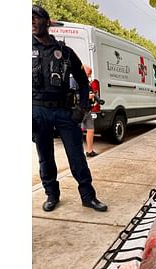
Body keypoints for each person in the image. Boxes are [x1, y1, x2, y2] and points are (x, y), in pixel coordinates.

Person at [32, 5, 107, 212]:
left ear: (48, 22)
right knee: (45, 157)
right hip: (37, 112)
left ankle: (88, 196)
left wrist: (82, 109)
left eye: (36, 17)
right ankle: (52, 195)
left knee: (77, 156)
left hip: (65, 111)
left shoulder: (65, 52)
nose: (31, 21)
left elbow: (84, 82)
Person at [81, 64, 99, 158]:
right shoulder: (74, 81)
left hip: (88, 109)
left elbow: (90, 92)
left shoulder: (87, 82)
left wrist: (94, 100)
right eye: (88, 73)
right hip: (79, 110)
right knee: (78, 131)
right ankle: (79, 153)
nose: (89, 76)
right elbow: (74, 96)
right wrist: (88, 96)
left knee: (91, 129)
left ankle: (90, 150)